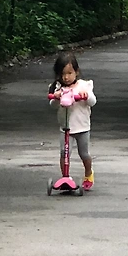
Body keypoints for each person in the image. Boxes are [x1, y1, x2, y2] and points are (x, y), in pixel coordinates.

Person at [48, 54, 95, 190]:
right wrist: (56, 97)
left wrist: (86, 96)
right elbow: (53, 105)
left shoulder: (83, 86)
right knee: (64, 153)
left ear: (76, 72)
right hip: (65, 128)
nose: (66, 77)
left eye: (69, 73)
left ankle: (88, 173)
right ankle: (65, 177)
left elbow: (92, 102)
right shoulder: (58, 88)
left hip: (82, 127)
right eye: (63, 74)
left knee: (84, 153)